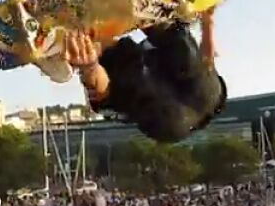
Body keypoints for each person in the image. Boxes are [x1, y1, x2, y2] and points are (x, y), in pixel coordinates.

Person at [64, 8, 227, 143]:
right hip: (179, 113)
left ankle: (144, 14)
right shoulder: (200, 85)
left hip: (172, 117)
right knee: (132, 67)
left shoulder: (204, 89)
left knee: (172, 44)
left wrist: (208, 23)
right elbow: (106, 91)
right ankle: (142, 14)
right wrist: (90, 67)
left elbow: (207, 60)